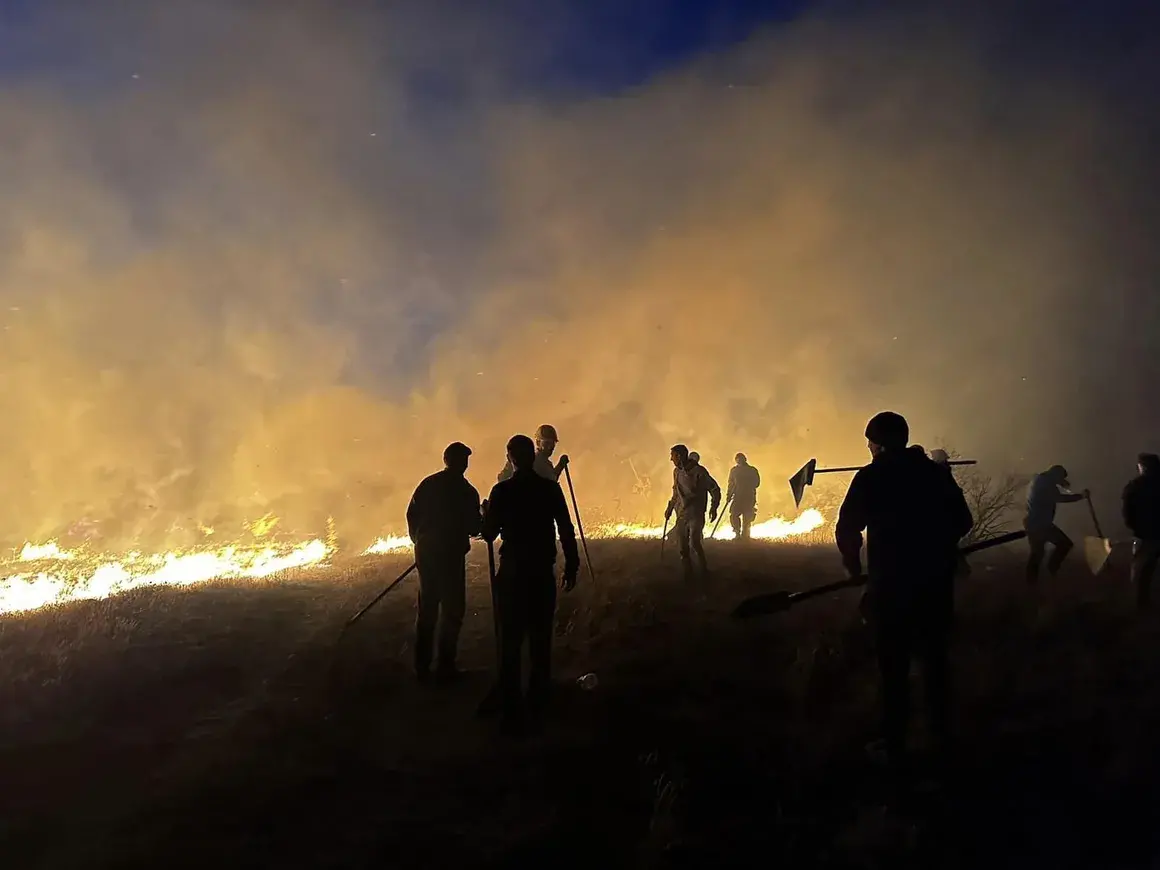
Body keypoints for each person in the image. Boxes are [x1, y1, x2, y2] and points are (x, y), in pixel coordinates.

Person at [836, 411, 974, 780]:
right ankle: (940, 741)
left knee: (893, 669)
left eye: (869, 443)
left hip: (890, 587)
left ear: (878, 443)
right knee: (934, 664)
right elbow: (963, 521)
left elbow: (848, 527)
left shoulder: (872, 476)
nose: (868, 449)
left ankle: (896, 747)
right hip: (934, 585)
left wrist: (852, 567)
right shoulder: (934, 474)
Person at [482, 434, 580, 733]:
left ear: (511, 457)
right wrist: (572, 564)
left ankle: (511, 706)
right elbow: (565, 527)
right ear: (532, 455)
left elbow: (487, 534)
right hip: (540, 572)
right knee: (540, 637)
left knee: (510, 640)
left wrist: (486, 514)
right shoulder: (549, 490)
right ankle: (539, 696)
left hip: (512, 574)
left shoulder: (501, 492)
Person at [405, 442, 482, 683]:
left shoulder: (428, 484)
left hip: (427, 553)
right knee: (452, 610)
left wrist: (419, 541)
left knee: (427, 607)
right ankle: (445, 666)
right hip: (450, 555)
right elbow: (473, 527)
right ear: (462, 462)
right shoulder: (467, 492)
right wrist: (484, 517)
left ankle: (422, 667)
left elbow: (412, 515)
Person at [664, 444, 721, 578]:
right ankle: (688, 575)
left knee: (694, 543)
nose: (671, 459)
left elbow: (714, 489)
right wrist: (670, 508)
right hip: (682, 514)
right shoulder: (677, 472)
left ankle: (704, 571)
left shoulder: (699, 472)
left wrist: (714, 507)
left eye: (672, 456)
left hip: (696, 513)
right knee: (683, 548)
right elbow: (676, 492)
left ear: (679, 456)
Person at [1024, 464, 1088, 584]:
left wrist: (1063, 484)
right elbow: (1059, 497)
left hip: (1034, 522)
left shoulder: (1040, 480)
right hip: (1040, 524)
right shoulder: (1046, 484)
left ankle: (1032, 583)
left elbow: (1056, 490)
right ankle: (1050, 570)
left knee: (1037, 553)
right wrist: (1080, 496)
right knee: (1063, 544)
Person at [1122, 453, 1160, 609]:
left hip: (1144, 535)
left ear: (1142, 467)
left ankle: (1140, 604)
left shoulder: (1135, 486)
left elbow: (1128, 512)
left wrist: (1133, 527)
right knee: (1148, 569)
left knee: (1140, 571)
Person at [497, 424, 568, 483]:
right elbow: (551, 481)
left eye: (553, 443)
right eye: (547, 443)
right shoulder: (537, 461)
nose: (550, 447)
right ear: (538, 442)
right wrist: (560, 465)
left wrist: (560, 465)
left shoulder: (544, 463)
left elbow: (551, 480)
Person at [726, 453, 761, 540]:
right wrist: (729, 495)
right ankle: (737, 533)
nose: (738, 461)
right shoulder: (734, 471)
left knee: (747, 516)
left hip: (748, 497)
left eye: (740, 459)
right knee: (734, 514)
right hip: (738, 497)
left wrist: (746, 485)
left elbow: (757, 483)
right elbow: (731, 484)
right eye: (737, 459)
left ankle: (745, 535)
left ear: (745, 459)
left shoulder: (752, 470)